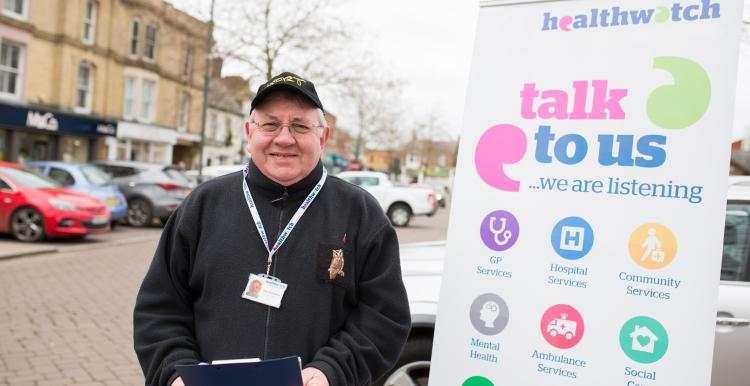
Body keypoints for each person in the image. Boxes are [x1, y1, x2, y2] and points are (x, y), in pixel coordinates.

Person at [133, 72, 411, 386]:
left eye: (300, 125)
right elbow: (159, 308)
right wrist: (175, 373)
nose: (284, 138)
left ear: (322, 137)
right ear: (249, 132)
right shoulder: (203, 205)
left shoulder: (360, 213)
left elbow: (384, 317)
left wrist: (331, 371)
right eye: (270, 124)